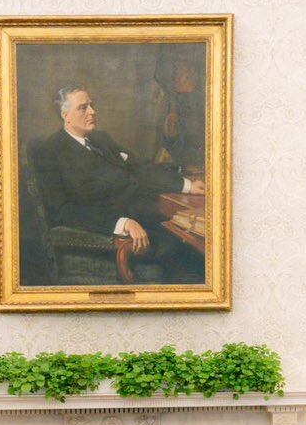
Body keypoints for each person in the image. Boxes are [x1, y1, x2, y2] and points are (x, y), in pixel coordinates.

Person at [31, 84, 205, 282]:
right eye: (83, 108)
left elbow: (139, 168)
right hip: (112, 235)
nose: (92, 112)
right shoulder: (51, 151)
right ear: (65, 115)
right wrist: (121, 223)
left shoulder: (100, 139)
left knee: (194, 240)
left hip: (147, 216)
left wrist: (187, 185)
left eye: (92, 106)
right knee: (188, 251)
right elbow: (63, 211)